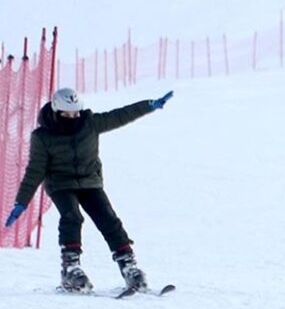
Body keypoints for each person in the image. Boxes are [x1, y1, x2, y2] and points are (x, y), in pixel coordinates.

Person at [4, 87, 174, 293]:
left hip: (89, 181)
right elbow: (35, 171)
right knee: (72, 217)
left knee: (108, 219)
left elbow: (119, 115)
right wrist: (21, 202)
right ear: (58, 111)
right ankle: (70, 269)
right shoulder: (43, 136)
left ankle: (129, 266)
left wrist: (149, 105)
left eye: (76, 112)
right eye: (68, 113)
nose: (73, 116)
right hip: (60, 184)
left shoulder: (89, 123)